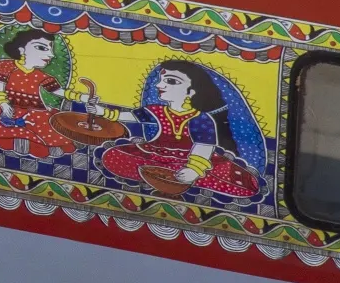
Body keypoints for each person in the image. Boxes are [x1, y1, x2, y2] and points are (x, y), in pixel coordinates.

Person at [95, 60, 259, 198]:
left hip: (192, 160)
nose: (160, 85)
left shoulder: (200, 118)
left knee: (236, 181)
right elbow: (130, 117)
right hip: (155, 155)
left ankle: (185, 178)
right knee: (112, 156)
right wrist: (101, 112)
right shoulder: (157, 111)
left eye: (171, 81)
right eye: (161, 79)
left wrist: (194, 170)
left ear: (191, 91)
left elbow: (204, 148)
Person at [0, 29, 77, 159]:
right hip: (6, 107)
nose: (51, 54)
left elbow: (59, 92)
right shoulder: (4, 65)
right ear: (22, 50)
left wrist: (82, 97)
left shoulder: (42, 76)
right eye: (42, 48)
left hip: (35, 113)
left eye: (51, 49)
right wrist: (3, 104)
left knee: (51, 136)